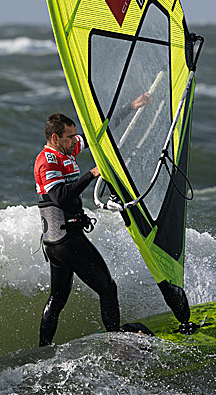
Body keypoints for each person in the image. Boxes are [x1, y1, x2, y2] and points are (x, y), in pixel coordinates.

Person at [33, 95, 150, 347]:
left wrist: (131, 106)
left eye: (75, 137)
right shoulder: (47, 161)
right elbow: (59, 198)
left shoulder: (68, 150)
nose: (76, 141)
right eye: (70, 137)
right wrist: (91, 174)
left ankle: (44, 347)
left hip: (56, 241)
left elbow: (98, 133)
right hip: (66, 240)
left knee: (58, 298)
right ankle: (117, 340)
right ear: (55, 138)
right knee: (107, 288)